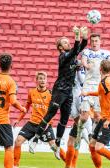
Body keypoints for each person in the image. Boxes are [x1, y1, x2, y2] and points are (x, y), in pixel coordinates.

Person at [33, 26, 88, 155]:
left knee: (64, 120)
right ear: (60, 48)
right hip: (60, 89)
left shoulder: (72, 54)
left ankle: (57, 146)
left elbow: (81, 47)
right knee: (50, 114)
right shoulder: (63, 56)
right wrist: (76, 36)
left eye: (67, 41)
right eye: (64, 42)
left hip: (69, 91)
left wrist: (84, 36)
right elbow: (75, 49)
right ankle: (35, 139)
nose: (67, 42)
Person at [12, 71, 66, 168]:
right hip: (32, 123)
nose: (42, 80)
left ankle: (69, 165)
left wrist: (49, 122)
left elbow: (54, 111)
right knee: (18, 141)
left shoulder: (51, 94)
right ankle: (15, 166)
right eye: (40, 78)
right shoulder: (31, 92)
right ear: (36, 80)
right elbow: (26, 108)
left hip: (45, 125)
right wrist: (18, 120)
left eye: (44, 78)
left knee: (54, 146)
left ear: (47, 81)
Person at [77, 33, 110, 149]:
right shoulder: (87, 52)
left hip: (100, 86)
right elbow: (83, 60)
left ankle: (92, 134)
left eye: (96, 41)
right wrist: (86, 65)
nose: (94, 43)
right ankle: (79, 133)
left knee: (98, 116)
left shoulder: (105, 53)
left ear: (100, 41)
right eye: (92, 41)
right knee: (83, 116)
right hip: (88, 85)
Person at [61, 65, 93, 168]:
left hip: (79, 96)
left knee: (72, 140)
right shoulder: (69, 68)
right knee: (73, 139)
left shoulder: (80, 68)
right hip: (73, 97)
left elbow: (83, 80)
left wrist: (79, 68)